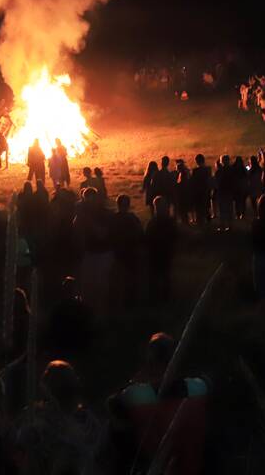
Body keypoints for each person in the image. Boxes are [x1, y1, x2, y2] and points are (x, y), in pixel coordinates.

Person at [108, 332, 209, 475]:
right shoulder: (198, 388)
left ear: (150, 361)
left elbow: (113, 402)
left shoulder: (136, 395)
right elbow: (205, 382)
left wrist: (139, 380)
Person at [109, 194, 143, 306]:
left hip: (117, 253)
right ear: (128, 205)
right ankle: (130, 302)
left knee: (118, 281)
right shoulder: (133, 218)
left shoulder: (113, 218)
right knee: (130, 280)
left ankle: (117, 302)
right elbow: (140, 234)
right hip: (130, 253)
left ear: (117, 204)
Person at [145, 196, 178, 303]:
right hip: (164, 252)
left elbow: (147, 238)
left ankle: (155, 298)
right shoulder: (169, 221)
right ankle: (164, 298)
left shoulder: (152, 222)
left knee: (156, 276)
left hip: (156, 253)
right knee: (164, 276)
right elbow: (175, 236)